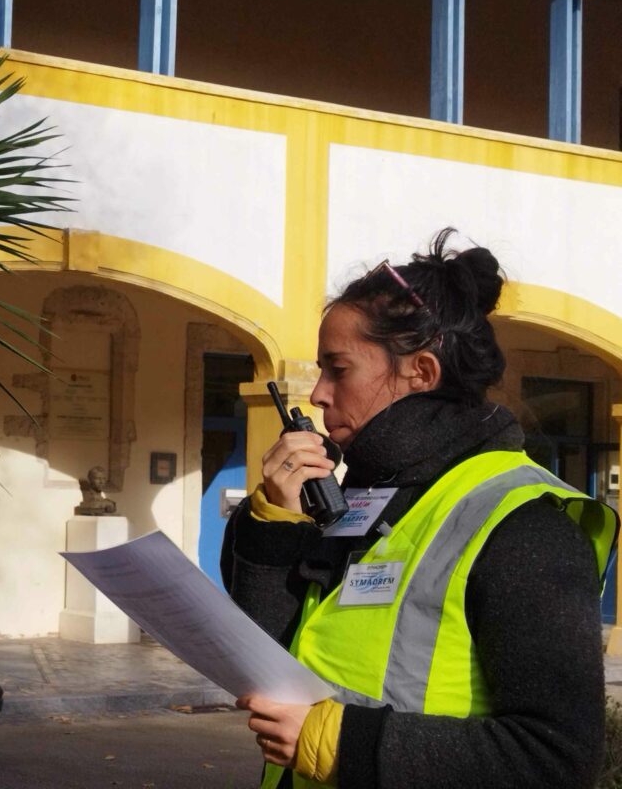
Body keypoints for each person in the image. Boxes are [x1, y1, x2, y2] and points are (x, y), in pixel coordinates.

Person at [220, 230, 618, 788]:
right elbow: (279, 660)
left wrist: (335, 742)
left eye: (339, 369)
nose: (318, 396)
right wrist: (276, 525)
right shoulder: (365, 494)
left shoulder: (523, 526)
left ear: (422, 374)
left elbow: (555, 757)